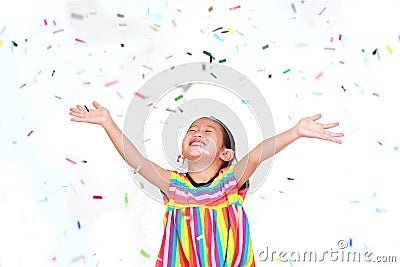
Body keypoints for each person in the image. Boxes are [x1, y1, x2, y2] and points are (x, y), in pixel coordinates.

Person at [69, 101, 343, 266]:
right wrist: (108, 123)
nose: (198, 133)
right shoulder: (174, 185)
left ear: (226, 154)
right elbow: (136, 161)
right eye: (192, 130)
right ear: (181, 152)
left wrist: (295, 131)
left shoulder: (229, 183)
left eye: (208, 131)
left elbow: (258, 154)